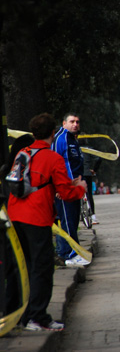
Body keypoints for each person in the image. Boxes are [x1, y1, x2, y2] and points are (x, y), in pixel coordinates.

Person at [7, 113, 87, 331]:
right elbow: (66, 192)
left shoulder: (23, 152)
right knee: (42, 268)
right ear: (54, 132)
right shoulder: (52, 158)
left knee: (20, 267)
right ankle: (38, 316)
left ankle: (15, 315)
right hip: (37, 217)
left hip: (15, 216)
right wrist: (80, 188)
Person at [52, 112, 89, 267]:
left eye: (77, 122)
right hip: (64, 189)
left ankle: (65, 253)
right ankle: (70, 254)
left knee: (71, 221)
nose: (75, 124)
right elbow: (56, 163)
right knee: (67, 221)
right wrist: (60, 186)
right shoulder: (61, 138)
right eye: (72, 121)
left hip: (73, 189)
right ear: (64, 123)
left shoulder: (73, 139)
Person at [81, 140, 101, 224]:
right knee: (89, 194)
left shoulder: (72, 147)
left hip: (77, 174)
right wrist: (94, 170)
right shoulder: (88, 149)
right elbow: (98, 158)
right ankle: (93, 216)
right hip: (87, 173)